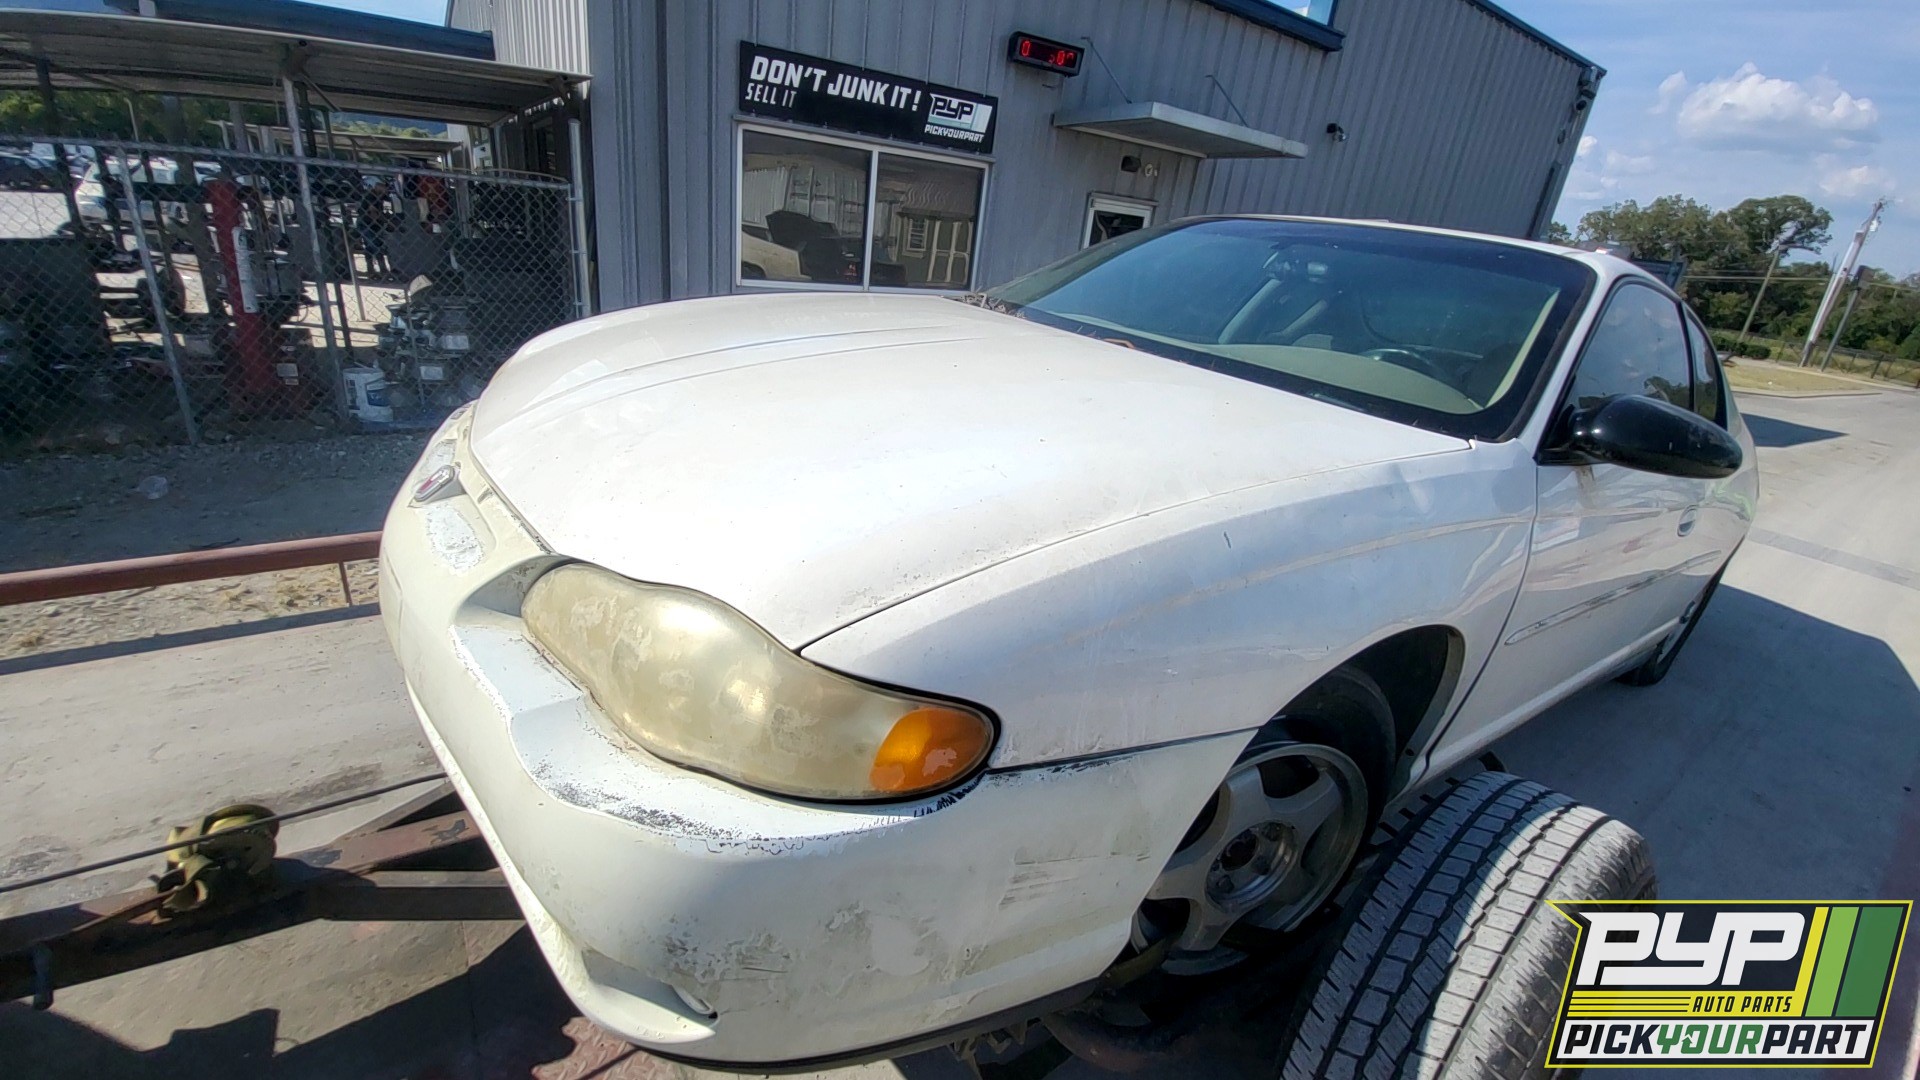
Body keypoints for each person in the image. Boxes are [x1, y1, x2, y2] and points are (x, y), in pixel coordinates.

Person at [357, 179, 395, 278]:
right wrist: (385, 221)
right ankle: (382, 270)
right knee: (375, 246)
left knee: (370, 247)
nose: (386, 190)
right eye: (384, 186)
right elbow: (373, 213)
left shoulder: (380, 197)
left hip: (371, 225)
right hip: (366, 224)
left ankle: (371, 270)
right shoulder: (371, 196)